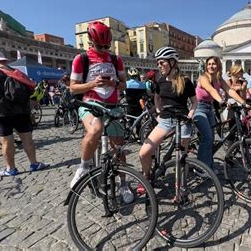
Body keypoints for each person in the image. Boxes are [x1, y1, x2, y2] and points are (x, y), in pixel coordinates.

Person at [69, 21, 133, 202]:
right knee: (95, 129)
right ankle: (83, 167)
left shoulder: (116, 59)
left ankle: (124, 184)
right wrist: (92, 84)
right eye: (100, 46)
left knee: (118, 148)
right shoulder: (81, 59)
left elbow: (124, 84)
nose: (104, 49)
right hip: (91, 104)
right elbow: (73, 88)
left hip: (112, 106)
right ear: (90, 41)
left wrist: (114, 83)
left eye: (107, 46)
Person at [0, 51, 49, 176]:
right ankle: (34, 163)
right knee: (27, 140)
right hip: (22, 111)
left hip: (0, 112)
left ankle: (11, 169)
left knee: (6, 142)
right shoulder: (18, 73)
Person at [139, 46, 197, 183]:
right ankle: (147, 177)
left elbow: (194, 102)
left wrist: (190, 115)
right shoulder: (160, 81)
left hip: (182, 120)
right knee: (143, 153)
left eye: (162, 62)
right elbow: (157, 98)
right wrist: (159, 112)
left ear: (172, 63)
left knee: (181, 157)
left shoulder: (186, 81)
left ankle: (181, 185)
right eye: (158, 63)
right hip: (165, 120)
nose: (159, 66)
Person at [194, 56, 247, 172]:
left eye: (213, 64)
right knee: (207, 137)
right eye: (209, 64)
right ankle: (201, 168)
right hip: (199, 108)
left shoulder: (218, 79)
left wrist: (243, 102)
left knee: (211, 138)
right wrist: (221, 101)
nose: (211, 66)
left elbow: (230, 91)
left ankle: (208, 166)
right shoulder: (203, 78)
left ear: (218, 66)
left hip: (210, 109)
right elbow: (211, 90)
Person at [125, 68, 147, 135]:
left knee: (129, 121)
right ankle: (139, 135)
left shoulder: (126, 84)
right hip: (139, 105)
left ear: (129, 75)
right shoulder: (143, 84)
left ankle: (129, 135)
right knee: (139, 121)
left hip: (129, 105)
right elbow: (145, 95)